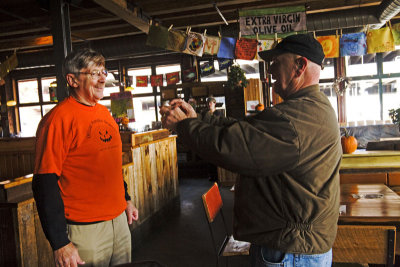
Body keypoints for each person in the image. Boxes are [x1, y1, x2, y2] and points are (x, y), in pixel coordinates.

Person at [160, 34, 341, 267]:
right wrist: (200, 118)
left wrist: (184, 126)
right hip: (295, 245)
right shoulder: (309, 109)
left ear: (300, 66)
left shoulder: (295, 120)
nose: (270, 69)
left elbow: (233, 146)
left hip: (291, 252)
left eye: (277, 61)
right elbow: (246, 131)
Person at [32, 48, 139, 267]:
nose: (102, 79)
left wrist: (125, 199)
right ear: (72, 80)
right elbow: (44, 183)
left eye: (103, 71)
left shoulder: (105, 114)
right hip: (85, 230)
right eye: (93, 73)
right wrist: (60, 242)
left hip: (118, 222)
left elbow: (111, 165)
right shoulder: (57, 120)